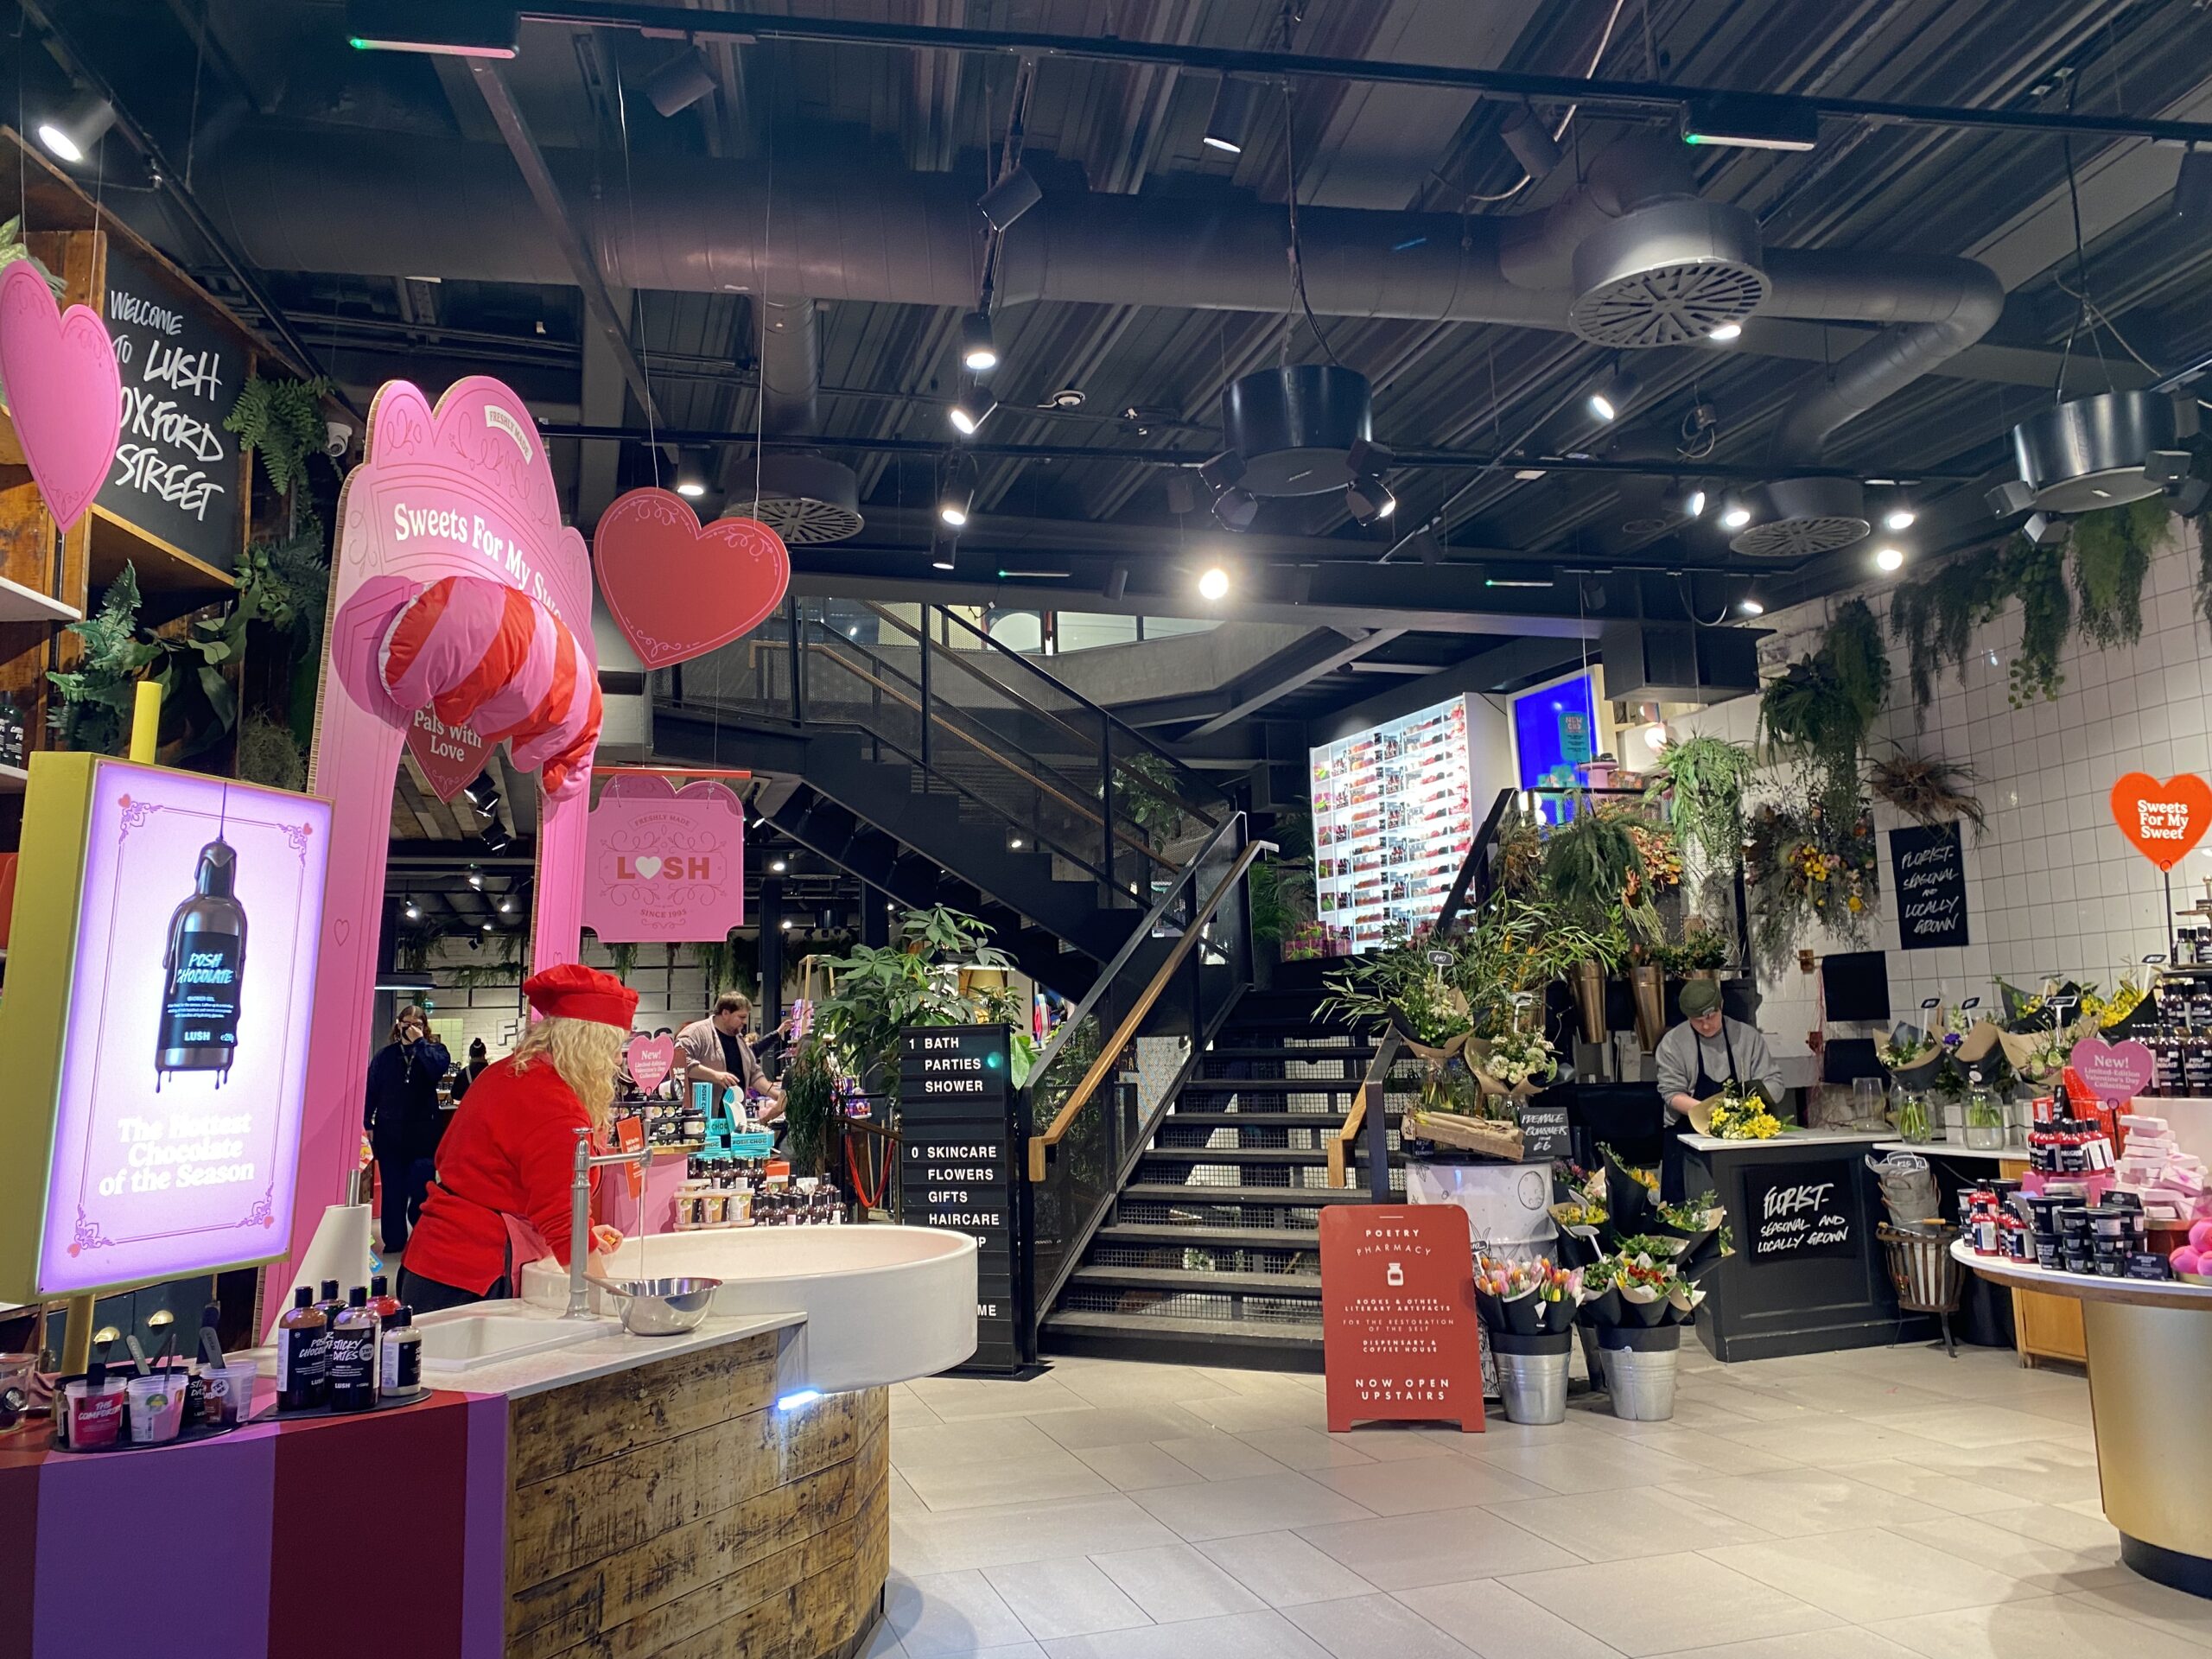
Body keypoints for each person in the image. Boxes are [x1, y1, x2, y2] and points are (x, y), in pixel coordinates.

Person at [397, 965, 638, 1314]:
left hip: (431, 1261)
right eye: (613, 1047)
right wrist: (618, 1310)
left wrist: (583, 1233)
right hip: (473, 1277)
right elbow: (565, 1227)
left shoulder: (505, 1072)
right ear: (587, 1044)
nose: (617, 1060)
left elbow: (492, 1175)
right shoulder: (557, 1106)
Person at [1654, 978, 1786, 1199]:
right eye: (1698, 1021)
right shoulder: (1673, 1043)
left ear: (1721, 1005)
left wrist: (1744, 1110)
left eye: (1710, 1017)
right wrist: (1712, 1112)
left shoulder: (1747, 1037)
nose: (1706, 1025)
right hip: (1686, 1140)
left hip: (1742, 1140)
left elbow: (1774, 1083)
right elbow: (1671, 1093)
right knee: (1684, 1211)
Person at [363, 1006, 449, 1255]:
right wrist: (367, 1121)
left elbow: (437, 1069)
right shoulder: (385, 1056)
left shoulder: (434, 1051)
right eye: (407, 1023)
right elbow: (371, 1090)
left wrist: (420, 1043)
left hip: (423, 1137)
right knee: (393, 1192)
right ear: (398, 1024)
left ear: (424, 1027)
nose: (411, 1028)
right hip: (390, 1134)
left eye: (417, 1024)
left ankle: (423, 1238)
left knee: (422, 1189)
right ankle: (394, 1241)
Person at [676, 992, 785, 1124]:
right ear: (725, 1013)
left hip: (733, 1122)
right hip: (702, 1121)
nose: (744, 1022)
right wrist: (715, 1076)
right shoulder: (696, 1033)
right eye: (741, 1017)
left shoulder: (739, 1039)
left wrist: (777, 1095)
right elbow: (679, 1062)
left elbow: (754, 1074)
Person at [448, 1037, 493, 1103]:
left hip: (470, 1107)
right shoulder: (492, 1072)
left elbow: (455, 1095)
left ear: (470, 1055)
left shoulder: (463, 1074)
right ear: (484, 1053)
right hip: (488, 1107)